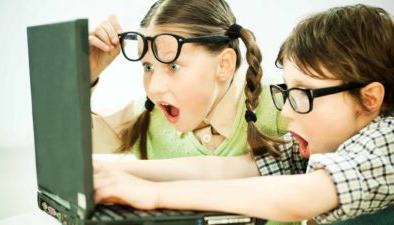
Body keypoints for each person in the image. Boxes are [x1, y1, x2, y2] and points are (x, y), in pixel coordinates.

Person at [93, 4, 394, 224]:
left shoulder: (388, 142)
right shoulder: (313, 148)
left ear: (369, 100)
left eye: (304, 95)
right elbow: (220, 170)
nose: (287, 111)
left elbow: (302, 196)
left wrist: (155, 196)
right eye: (288, 93)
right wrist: (117, 174)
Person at [90, 0, 292, 224]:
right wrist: (84, 74)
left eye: (173, 66)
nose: (154, 88)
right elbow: (63, 141)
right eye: (148, 67)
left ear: (224, 65)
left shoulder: (285, 105)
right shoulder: (147, 114)